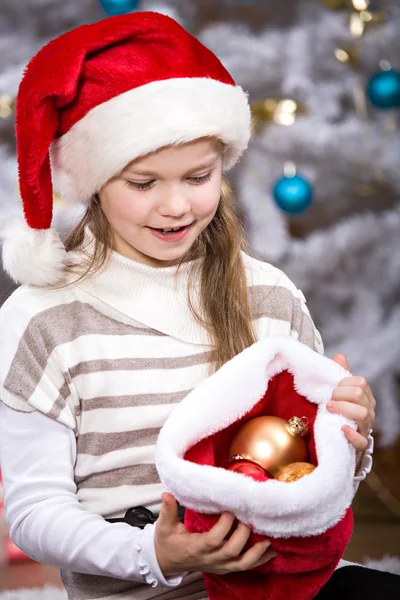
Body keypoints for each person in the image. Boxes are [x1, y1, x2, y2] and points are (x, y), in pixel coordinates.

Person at [0, 10, 392, 600]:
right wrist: (152, 552)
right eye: (143, 183)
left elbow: (312, 471)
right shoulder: (43, 319)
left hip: (278, 581)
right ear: (95, 182)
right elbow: (34, 514)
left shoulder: (268, 293)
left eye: (199, 176)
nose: (177, 205)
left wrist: (348, 438)